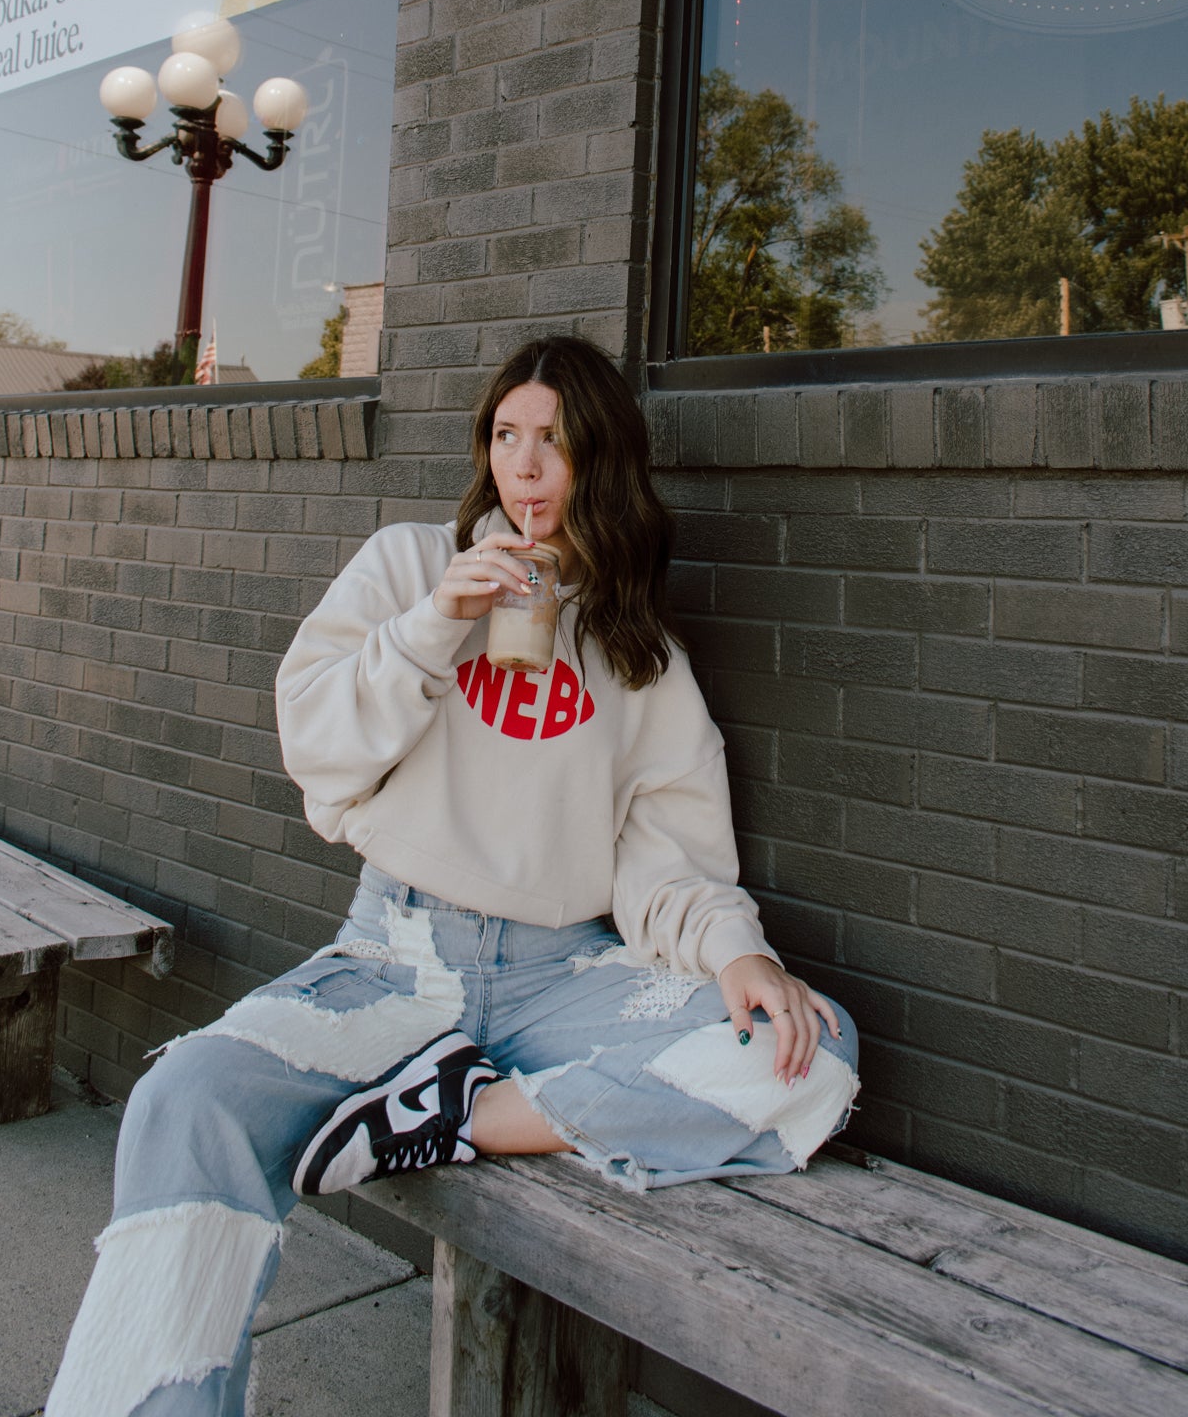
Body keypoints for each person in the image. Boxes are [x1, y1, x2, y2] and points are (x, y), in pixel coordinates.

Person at [47, 335, 858, 1417]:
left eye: (555, 442)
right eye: (507, 435)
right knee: (183, 1100)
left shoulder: (638, 647)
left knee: (814, 1046)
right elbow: (317, 739)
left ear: (600, 463)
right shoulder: (406, 562)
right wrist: (439, 621)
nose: (525, 465)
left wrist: (739, 952)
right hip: (398, 956)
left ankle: (448, 1113)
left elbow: (674, 858)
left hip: (563, 973)